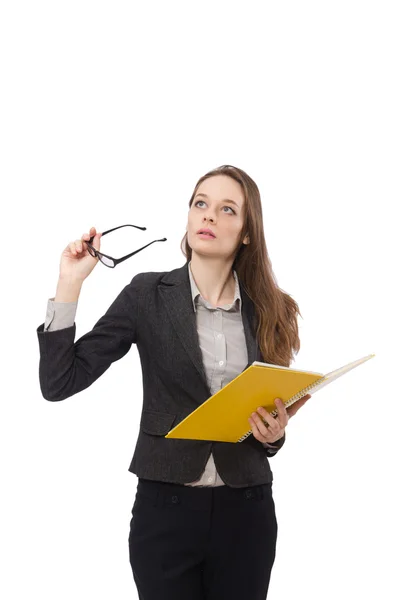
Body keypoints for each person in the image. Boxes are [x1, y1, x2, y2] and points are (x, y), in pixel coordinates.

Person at [36, 164, 311, 600]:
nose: (209, 217)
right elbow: (59, 381)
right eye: (201, 204)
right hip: (166, 513)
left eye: (226, 210)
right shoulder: (147, 295)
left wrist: (274, 434)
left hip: (248, 513)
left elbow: (269, 427)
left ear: (246, 233)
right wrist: (69, 284)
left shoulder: (268, 309)